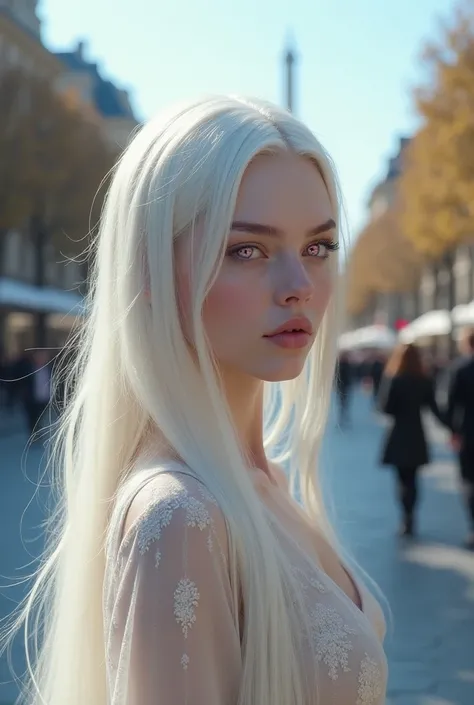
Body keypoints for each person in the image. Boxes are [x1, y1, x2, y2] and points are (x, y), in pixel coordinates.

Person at [1, 96, 388, 705]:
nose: (299, 287)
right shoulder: (182, 517)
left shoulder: (267, 480)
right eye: (247, 250)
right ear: (153, 268)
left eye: (318, 246)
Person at [378, 343, 444, 538]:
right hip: (417, 434)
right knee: (413, 479)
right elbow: (434, 409)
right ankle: (411, 514)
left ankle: (405, 517)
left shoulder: (394, 379)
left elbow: (385, 408)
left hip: (398, 433)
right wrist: (452, 427)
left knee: (402, 479)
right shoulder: (424, 380)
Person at [445, 328, 474, 550]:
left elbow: (452, 404)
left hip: (468, 432)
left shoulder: (460, 368)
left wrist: (453, 432)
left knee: (469, 481)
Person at [334, 350, 353, 426]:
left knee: (343, 402)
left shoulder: (339, 365)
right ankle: (343, 416)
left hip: (342, 386)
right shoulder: (344, 365)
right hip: (344, 386)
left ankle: (343, 416)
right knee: (344, 402)